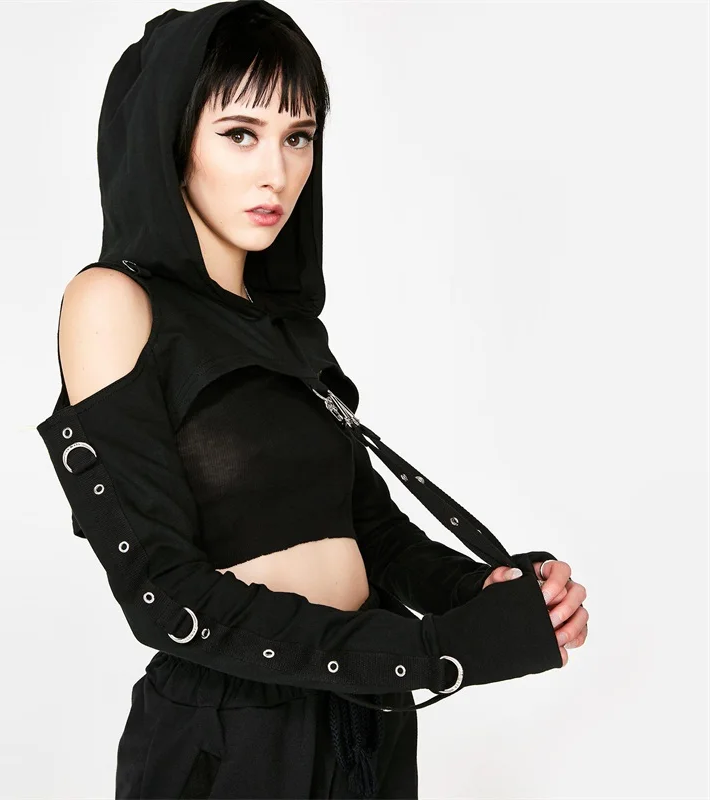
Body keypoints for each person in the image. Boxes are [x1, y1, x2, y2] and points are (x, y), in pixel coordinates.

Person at [36, 1, 588, 797]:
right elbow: (163, 595)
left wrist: (487, 592)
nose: (278, 171)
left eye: (298, 137)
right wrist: (432, 653)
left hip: (367, 718)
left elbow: (373, 536)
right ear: (171, 140)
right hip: (231, 738)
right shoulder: (113, 301)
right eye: (240, 133)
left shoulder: (289, 331)